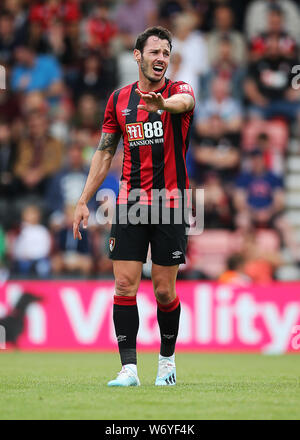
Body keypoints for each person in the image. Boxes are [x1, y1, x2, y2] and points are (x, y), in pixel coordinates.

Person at [73, 26, 195, 387]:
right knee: (125, 285)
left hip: (169, 203)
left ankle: (167, 363)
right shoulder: (118, 100)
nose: (161, 58)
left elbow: (185, 104)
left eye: (166, 53)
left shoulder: (179, 90)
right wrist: (83, 200)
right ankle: (128, 369)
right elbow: (106, 150)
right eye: (155, 52)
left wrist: (162, 104)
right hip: (129, 203)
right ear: (137, 56)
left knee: (163, 290)